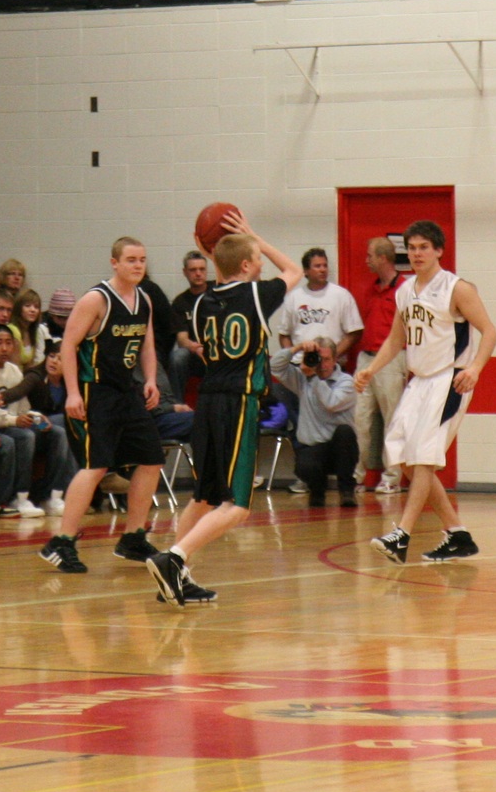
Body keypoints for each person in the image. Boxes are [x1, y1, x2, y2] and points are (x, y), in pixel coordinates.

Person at [143, 219, 301, 607]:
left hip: (208, 404)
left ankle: (176, 577)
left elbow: (226, 275)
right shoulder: (257, 295)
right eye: (256, 258)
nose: (261, 263)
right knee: (237, 506)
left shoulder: (201, 303)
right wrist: (255, 237)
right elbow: (292, 269)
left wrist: (221, 249)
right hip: (238, 403)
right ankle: (173, 559)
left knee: (204, 497)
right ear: (246, 265)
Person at [359, 220, 496, 566]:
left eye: (424, 247)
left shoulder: (456, 288)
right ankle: (458, 535)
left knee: (423, 457)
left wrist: (475, 368)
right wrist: (371, 369)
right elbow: (396, 340)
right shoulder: (405, 290)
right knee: (404, 457)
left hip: (449, 379)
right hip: (419, 381)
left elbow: (489, 332)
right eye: (412, 248)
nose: (417, 253)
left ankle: (402, 534)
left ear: (438, 250)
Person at [36, 237, 167, 575]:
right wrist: (72, 393)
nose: (138, 265)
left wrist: (151, 379)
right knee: (96, 466)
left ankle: (133, 537)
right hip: (95, 391)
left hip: (127, 390)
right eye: (131, 259)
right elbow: (68, 345)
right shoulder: (96, 299)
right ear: (114, 263)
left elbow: (147, 344)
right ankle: (61, 541)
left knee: (152, 458)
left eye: (142, 259)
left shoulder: (144, 299)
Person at [0, 325, 67, 518]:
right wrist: (14, 420)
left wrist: (38, 419)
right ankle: (19, 497)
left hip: (13, 423)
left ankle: (51, 495)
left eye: (8, 343)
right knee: (25, 436)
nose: (4, 348)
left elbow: (24, 408)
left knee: (57, 432)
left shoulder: (14, 370)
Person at [272, 337, 361, 507]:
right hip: (314, 447)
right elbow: (274, 366)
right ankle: (317, 491)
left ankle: (346, 491)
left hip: (340, 450)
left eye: (327, 359)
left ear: (335, 360)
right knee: (305, 467)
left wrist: (313, 377)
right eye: (319, 359)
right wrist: (298, 348)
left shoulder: (346, 381)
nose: (322, 365)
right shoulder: (301, 378)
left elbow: (331, 403)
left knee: (345, 432)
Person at [167, 249, 208, 397]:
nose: (198, 273)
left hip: (219, 352)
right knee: (178, 356)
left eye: (202, 269)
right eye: (193, 270)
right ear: (185, 272)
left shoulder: (218, 292)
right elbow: (182, 339)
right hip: (195, 354)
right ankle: (178, 403)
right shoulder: (180, 302)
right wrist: (195, 347)